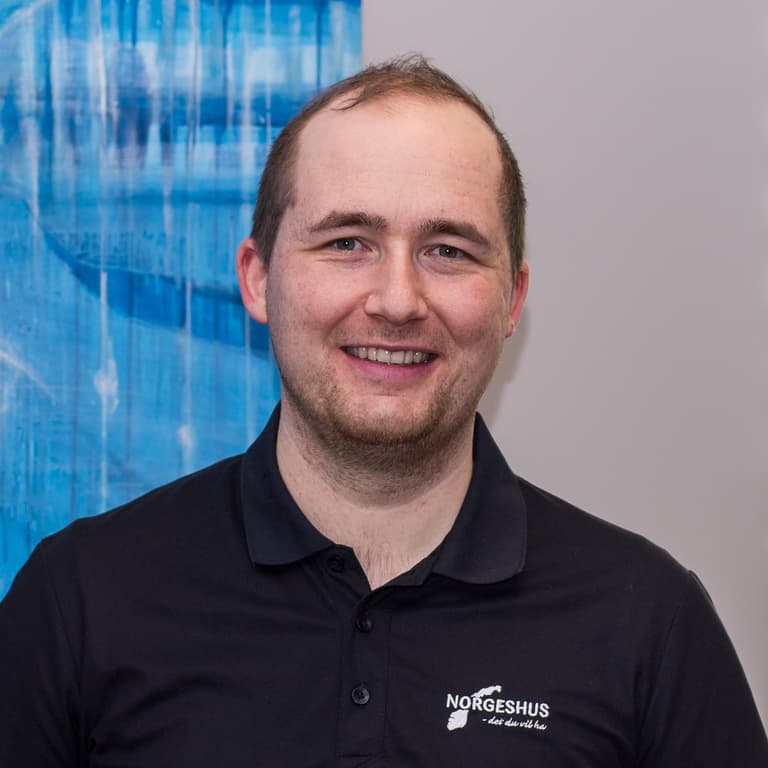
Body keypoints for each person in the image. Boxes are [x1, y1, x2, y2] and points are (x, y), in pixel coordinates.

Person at [1, 56, 766, 767]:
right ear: (258, 279)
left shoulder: (648, 622)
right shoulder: (81, 599)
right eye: (348, 242)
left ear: (512, 300)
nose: (398, 301)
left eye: (448, 250)